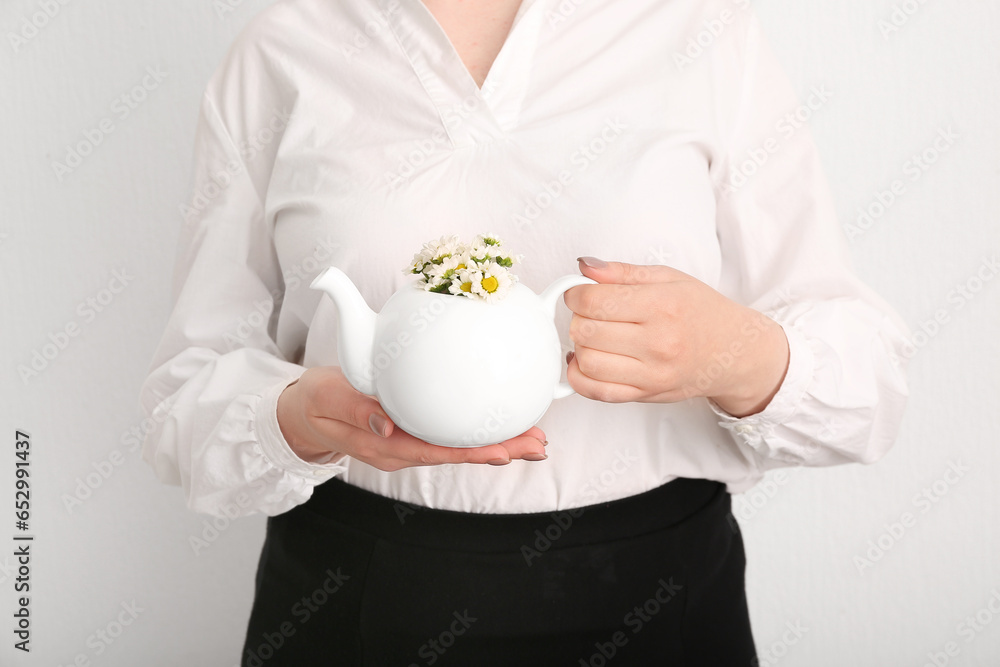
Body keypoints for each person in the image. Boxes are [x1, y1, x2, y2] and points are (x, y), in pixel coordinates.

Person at [139, 0, 910, 664]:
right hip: (356, 593)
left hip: (660, 594)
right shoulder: (282, 48)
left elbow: (870, 389)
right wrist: (295, 418)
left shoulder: (697, 29)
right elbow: (185, 397)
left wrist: (729, 353)